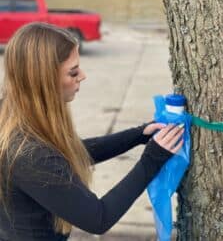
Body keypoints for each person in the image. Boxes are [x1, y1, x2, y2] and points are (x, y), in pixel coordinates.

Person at [0, 22, 184, 241]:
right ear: (45, 80)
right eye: (73, 72)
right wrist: (152, 159)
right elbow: (98, 218)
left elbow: (64, 156)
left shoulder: (10, 115)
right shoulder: (29, 155)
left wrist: (138, 135)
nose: (83, 76)